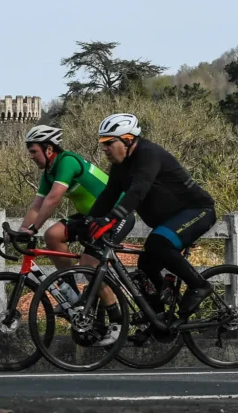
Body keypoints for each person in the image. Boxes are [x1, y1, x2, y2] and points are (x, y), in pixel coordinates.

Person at [86, 113, 216, 328]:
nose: (104, 149)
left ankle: (200, 286)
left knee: (158, 244)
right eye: (102, 144)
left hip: (198, 211)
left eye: (109, 143)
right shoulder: (120, 165)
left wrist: (110, 219)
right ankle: (157, 318)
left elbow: (137, 192)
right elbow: (108, 195)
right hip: (169, 221)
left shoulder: (149, 154)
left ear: (127, 140)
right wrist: (90, 219)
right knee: (146, 264)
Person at [18, 124, 121, 345]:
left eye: (33, 152)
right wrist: (18, 234)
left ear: (48, 149)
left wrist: (33, 228)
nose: (31, 157)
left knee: (90, 264)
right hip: (91, 217)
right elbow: (36, 205)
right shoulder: (49, 172)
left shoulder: (67, 161)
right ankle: (72, 293)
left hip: (115, 215)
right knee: (53, 235)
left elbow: (52, 200)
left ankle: (117, 321)